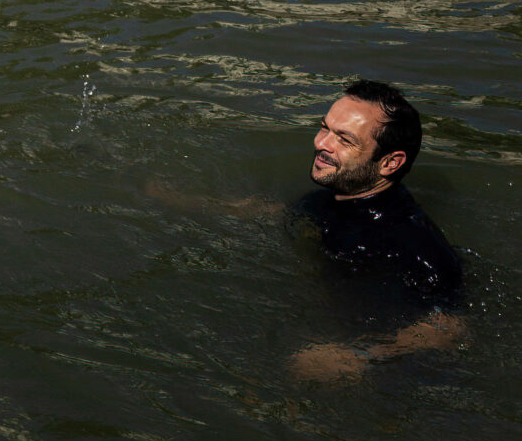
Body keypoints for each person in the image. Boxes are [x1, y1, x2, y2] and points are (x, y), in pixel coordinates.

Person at [149, 80, 464, 383]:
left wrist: (359, 356)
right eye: (324, 127)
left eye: (344, 139)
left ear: (389, 163)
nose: (320, 143)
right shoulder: (336, 195)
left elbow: (450, 326)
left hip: (391, 378)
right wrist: (182, 201)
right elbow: (277, 211)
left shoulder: (413, 242)